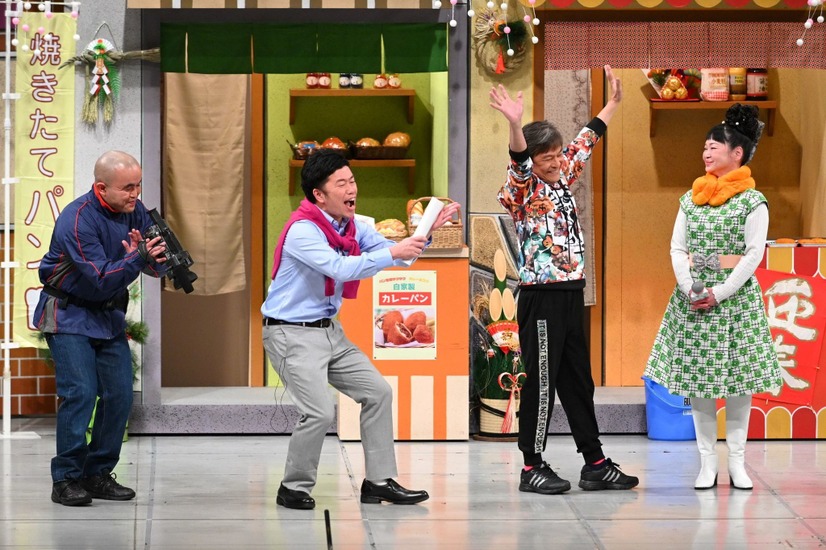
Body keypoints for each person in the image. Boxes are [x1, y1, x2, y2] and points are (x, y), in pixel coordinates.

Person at [263, 149, 460, 510]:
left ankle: (379, 482)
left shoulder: (353, 227)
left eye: (352, 180)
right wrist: (395, 251)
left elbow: (400, 256)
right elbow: (341, 268)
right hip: (290, 333)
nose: (352, 189)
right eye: (341, 183)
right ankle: (292, 487)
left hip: (329, 331)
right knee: (319, 412)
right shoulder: (302, 231)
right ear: (319, 194)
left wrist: (425, 232)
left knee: (377, 392)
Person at [490, 65, 639, 494]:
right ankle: (531, 465)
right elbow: (519, 163)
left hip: (572, 293)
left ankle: (595, 463)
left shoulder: (560, 175)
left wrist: (612, 104)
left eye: (557, 155)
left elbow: (585, 142)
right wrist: (515, 124)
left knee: (578, 381)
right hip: (542, 297)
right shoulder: (523, 190)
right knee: (542, 383)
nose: (557, 162)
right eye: (547, 158)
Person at [644, 104, 782, 490]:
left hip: (735, 301)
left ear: (737, 153)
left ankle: (737, 463)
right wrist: (688, 286)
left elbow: (753, 255)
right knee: (698, 383)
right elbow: (677, 248)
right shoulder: (691, 199)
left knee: (739, 384)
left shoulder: (753, 201)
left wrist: (719, 293)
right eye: (704, 146)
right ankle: (707, 464)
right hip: (693, 299)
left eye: (714, 146)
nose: (706, 151)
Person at [33, 151, 168, 506]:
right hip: (69, 313)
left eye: (138, 185)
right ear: (101, 188)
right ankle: (65, 478)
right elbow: (101, 277)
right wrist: (137, 257)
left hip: (106, 317)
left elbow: (155, 265)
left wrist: (156, 258)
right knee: (80, 392)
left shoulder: (135, 210)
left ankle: (97, 473)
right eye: (128, 187)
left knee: (119, 394)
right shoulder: (77, 219)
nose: (135, 194)